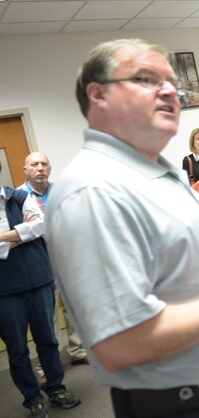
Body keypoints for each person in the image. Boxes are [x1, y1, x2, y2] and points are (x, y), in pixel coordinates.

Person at [46, 38, 199, 418]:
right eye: (147, 79)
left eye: (172, 82)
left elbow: (175, 274)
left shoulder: (156, 171)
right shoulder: (94, 191)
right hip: (184, 404)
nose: (169, 90)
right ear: (97, 94)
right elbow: (121, 342)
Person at [0, 161, 81, 418]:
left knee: (48, 340)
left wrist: (3, 237)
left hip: (39, 279)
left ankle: (56, 389)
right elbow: (30, 230)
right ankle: (33, 399)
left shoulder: (19, 195)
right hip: (5, 290)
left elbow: (42, 226)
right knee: (18, 349)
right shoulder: (23, 199)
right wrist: (21, 234)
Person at [18, 152, 89, 388]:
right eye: (34, 164)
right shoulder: (17, 197)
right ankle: (46, 365)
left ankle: (78, 350)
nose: (40, 168)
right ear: (25, 169)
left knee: (73, 307)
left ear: (50, 168)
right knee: (45, 315)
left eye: (44, 164)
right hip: (40, 260)